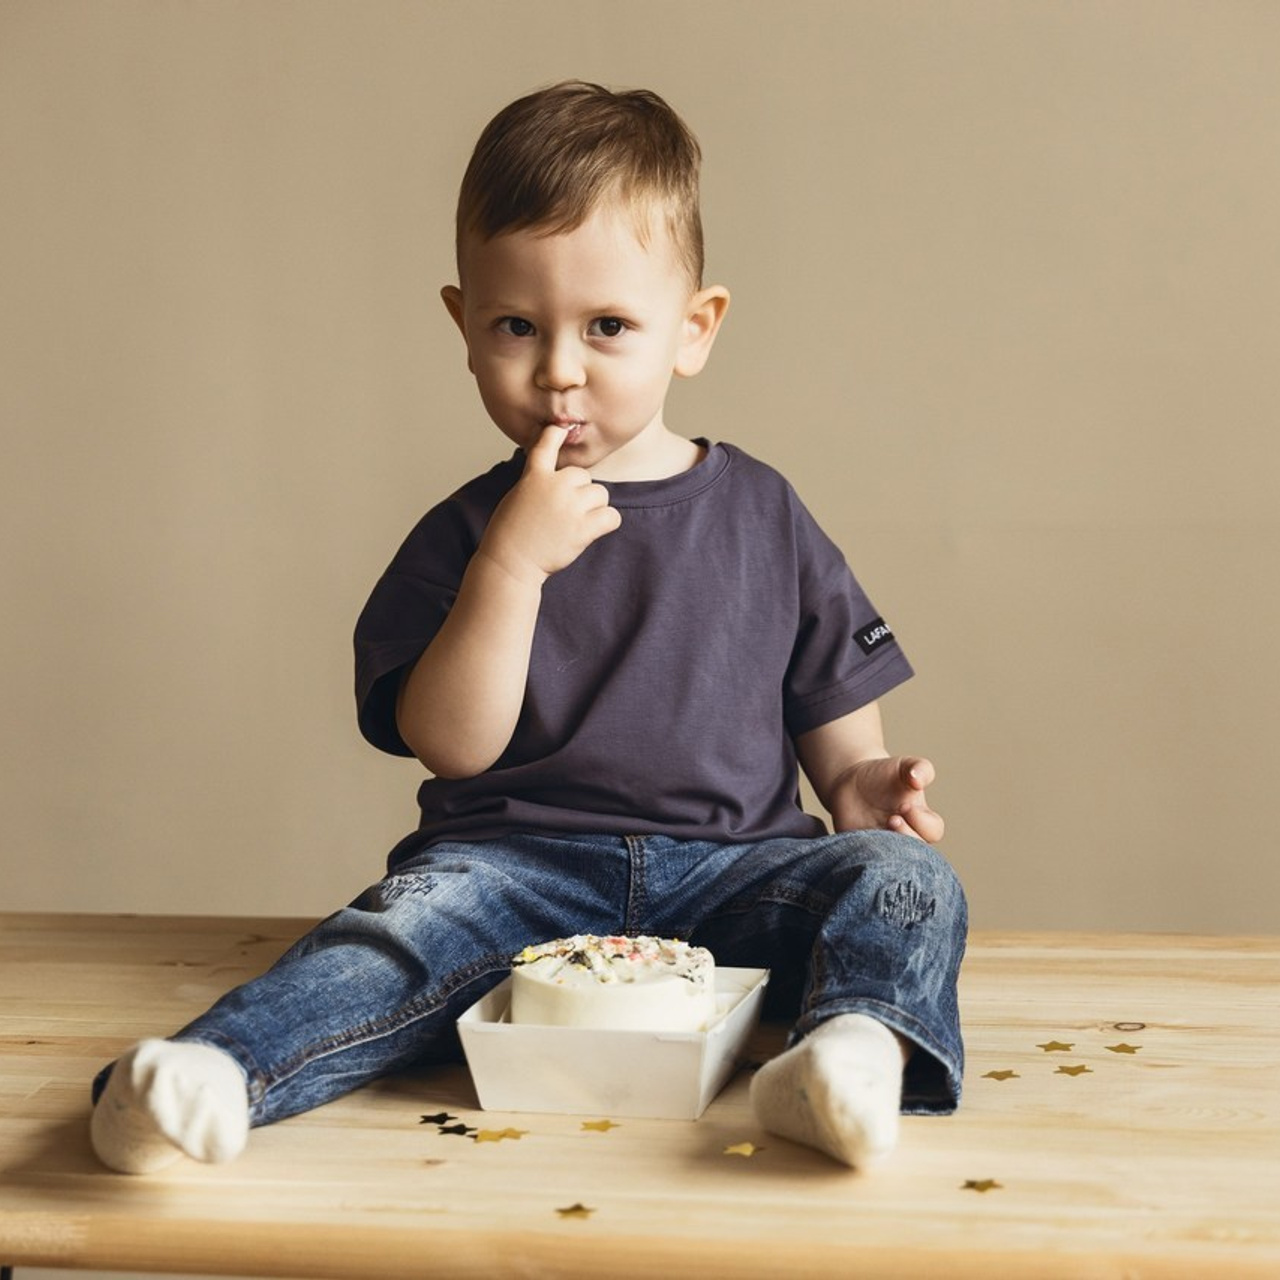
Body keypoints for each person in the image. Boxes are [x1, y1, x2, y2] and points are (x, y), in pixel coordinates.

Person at [90, 80, 966, 1175]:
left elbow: (838, 733)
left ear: (692, 331)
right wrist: (511, 561)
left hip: (732, 874)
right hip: (513, 869)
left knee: (904, 880)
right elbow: (452, 742)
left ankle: (844, 1055)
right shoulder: (464, 532)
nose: (559, 368)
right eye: (517, 325)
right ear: (463, 327)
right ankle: (202, 1076)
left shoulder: (764, 511)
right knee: (391, 936)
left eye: (606, 327)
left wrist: (864, 789)